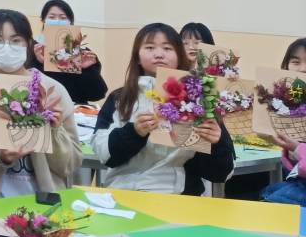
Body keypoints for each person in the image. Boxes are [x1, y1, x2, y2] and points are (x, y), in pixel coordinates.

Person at [92, 23, 233, 196]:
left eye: (167, 48)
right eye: (149, 47)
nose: (159, 54)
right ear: (137, 56)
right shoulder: (120, 99)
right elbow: (105, 155)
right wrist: (134, 132)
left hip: (180, 196)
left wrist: (217, 143)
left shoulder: (199, 97)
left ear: (179, 55)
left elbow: (221, 173)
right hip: (126, 192)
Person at [0, 9, 81, 201]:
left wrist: (55, 132)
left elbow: (71, 164)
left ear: (29, 44)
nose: (7, 47)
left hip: (45, 201)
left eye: (16, 41)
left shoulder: (53, 90)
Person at [32, 0, 107, 104]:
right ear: (43, 20)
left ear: (70, 23)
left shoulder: (83, 53)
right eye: (52, 17)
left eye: (63, 18)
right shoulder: (34, 50)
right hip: (41, 107)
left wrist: (85, 70)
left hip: (75, 108)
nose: (57, 21)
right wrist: (42, 63)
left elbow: (97, 94)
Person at [261, 37, 306, 206]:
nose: (302, 68)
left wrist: (297, 149)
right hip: (298, 182)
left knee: (272, 200)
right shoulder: (289, 104)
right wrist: (290, 150)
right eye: (296, 62)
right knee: (267, 192)